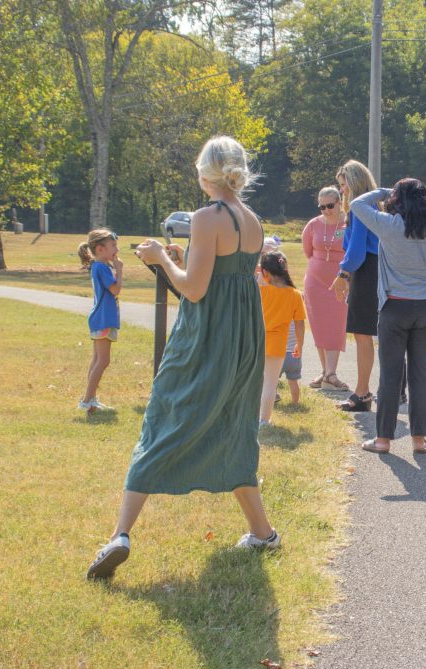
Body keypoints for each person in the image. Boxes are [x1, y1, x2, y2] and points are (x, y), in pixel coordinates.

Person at [86, 136, 279, 580]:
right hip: (242, 339)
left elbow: (194, 290)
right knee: (234, 425)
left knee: (165, 417)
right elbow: (224, 277)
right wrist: (181, 257)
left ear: (206, 172)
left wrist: (158, 259)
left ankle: (119, 535)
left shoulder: (205, 216)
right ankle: (263, 533)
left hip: (205, 338)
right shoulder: (251, 219)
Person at [350, 179, 426, 456]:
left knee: (390, 376)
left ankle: (383, 439)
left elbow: (356, 203)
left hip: (394, 306)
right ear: (425, 201)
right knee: (421, 375)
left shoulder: (389, 225)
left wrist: (387, 191)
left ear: (397, 200)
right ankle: (419, 439)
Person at [330, 160, 380, 412]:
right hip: (375, 270)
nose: (342, 191)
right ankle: (364, 391)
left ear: (355, 182)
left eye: (344, 185)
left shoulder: (359, 209)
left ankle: (362, 393)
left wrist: (343, 274)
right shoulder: (373, 207)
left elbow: (357, 249)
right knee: (366, 335)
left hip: (366, 271)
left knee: (362, 335)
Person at [302, 187, 350, 391]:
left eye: (330, 206)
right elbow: (307, 250)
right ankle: (325, 373)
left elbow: (354, 250)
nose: (326, 210)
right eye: (322, 207)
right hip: (315, 282)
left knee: (336, 325)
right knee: (319, 326)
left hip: (340, 280)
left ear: (339, 203)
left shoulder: (348, 223)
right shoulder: (313, 225)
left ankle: (331, 373)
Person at [77, 229, 124, 413]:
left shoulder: (99, 266)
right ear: (100, 249)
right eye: (113, 246)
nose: (116, 249)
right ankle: (87, 399)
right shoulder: (102, 267)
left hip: (100, 319)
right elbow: (115, 289)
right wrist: (119, 270)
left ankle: (90, 399)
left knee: (97, 360)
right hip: (103, 319)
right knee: (103, 361)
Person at [258, 251, 306, 426]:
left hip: (256, 342)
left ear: (265, 272)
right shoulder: (295, 294)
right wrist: (300, 344)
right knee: (270, 384)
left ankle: (251, 415)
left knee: (256, 382)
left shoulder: (260, 290)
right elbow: (300, 324)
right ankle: (264, 419)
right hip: (278, 345)